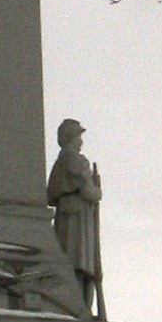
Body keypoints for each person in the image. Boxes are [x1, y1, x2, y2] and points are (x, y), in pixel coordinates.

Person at [46, 118, 102, 312]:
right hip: (80, 218)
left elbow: (50, 194)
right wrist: (97, 189)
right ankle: (82, 307)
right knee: (82, 263)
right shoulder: (77, 161)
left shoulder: (59, 163)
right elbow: (90, 193)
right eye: (79, 135)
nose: (81, 140)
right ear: (72, 138)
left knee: (69, 260)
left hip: (64, 217)